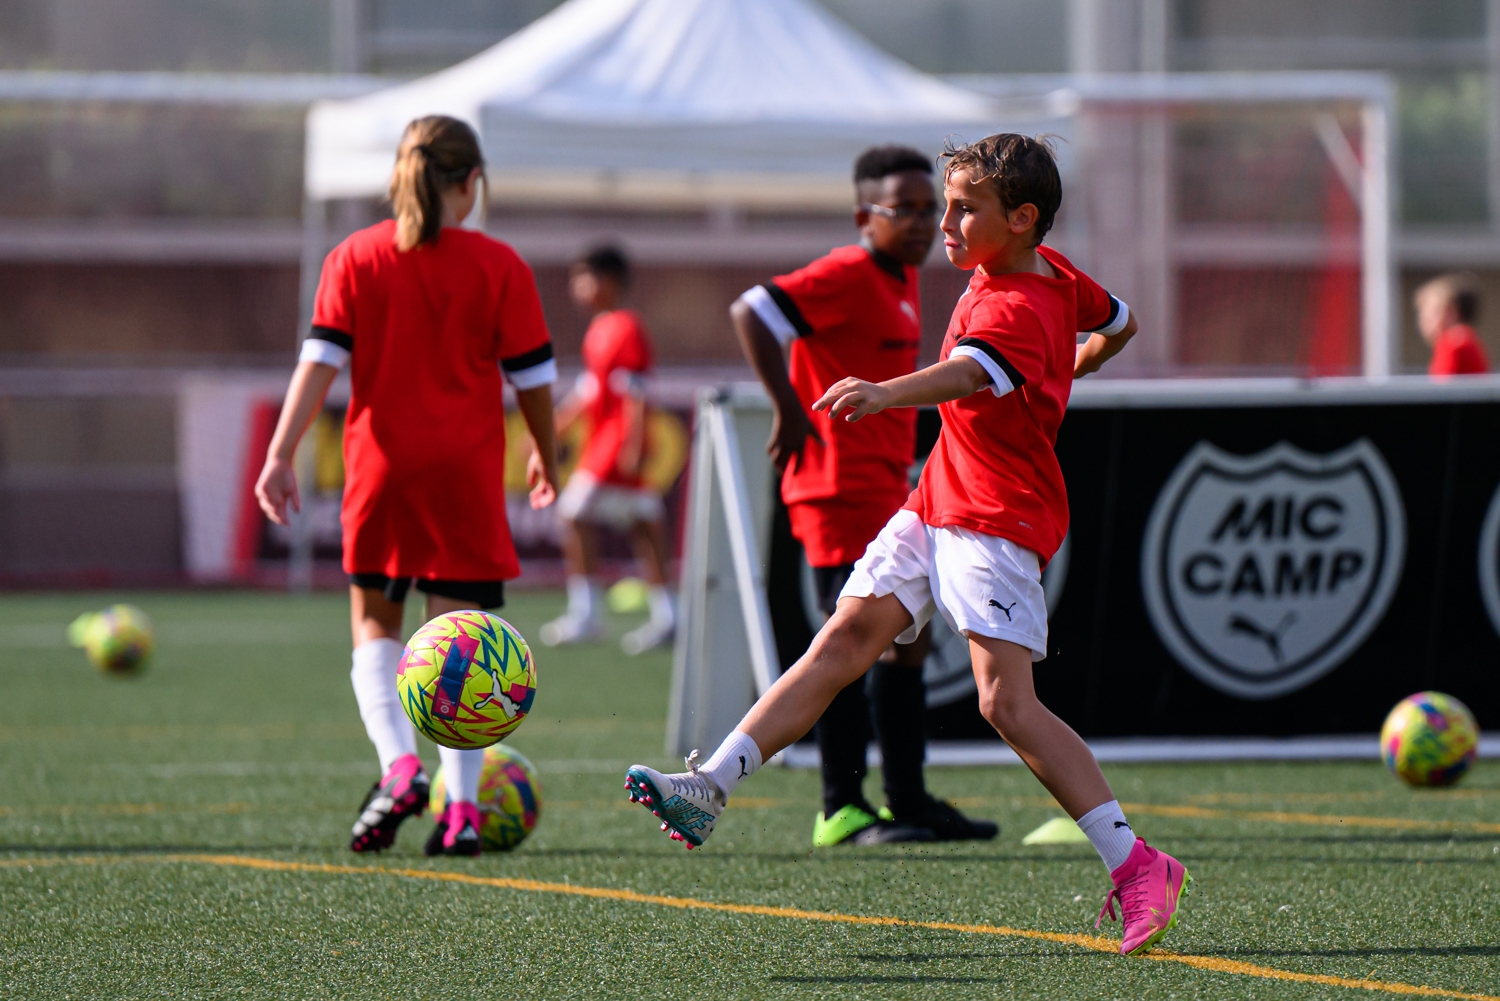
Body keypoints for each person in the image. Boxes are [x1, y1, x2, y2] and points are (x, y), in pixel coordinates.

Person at [625, 134, 1191, 958]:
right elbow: (1122, 322)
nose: (946, 225)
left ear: (1022, 219)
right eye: (944, 205)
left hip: (994, 516)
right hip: (936, 503)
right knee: (843, 639)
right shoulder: (1054, 274)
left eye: (964, 209)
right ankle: (710, 785)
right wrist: (1078, 363)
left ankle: (1138, 863)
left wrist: (886, 391)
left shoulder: (1015, 305)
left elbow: (965, 373)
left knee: (1006, 703)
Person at [255, 115, 560, 857]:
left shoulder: (354, 257)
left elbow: (319, 363)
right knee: (462, 650)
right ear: (472, 182)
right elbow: (534, 378)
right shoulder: (500, 265)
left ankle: (399, 769)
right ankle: (462, 813)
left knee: (375, 633)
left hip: (381, 471)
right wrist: (546, 454)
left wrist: (280, 451)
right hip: (464, 475)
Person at [731, 145, 996, 847]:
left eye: (929, 209)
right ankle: (840, 805)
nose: (921, 223)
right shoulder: (847, 271)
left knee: (906, 643)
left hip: (882, 487)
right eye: (902, 209)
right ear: (862, 216)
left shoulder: (899, 278)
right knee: (849, 643)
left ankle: (908, 800)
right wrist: (788, 407)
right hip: (835, 486)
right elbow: (751, 311)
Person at [539, 246, 675, 656]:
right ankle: (669, 616)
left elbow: (637, 391)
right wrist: (553, 429)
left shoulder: (625, 327)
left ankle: (587, 615)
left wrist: (633, 444)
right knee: (644, 524)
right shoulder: (600, 330)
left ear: (608, 280)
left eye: (583, 277)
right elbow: (590, 391)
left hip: (614, 446)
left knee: (573, 514)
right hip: (605, 444)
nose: (576, 286)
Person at [1414, 272, 1489, 376]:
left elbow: (1442, 385)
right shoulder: (1465, 338)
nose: (1424, 318)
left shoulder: (1452, 344)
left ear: (1452, 312)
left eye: (1433, 311)